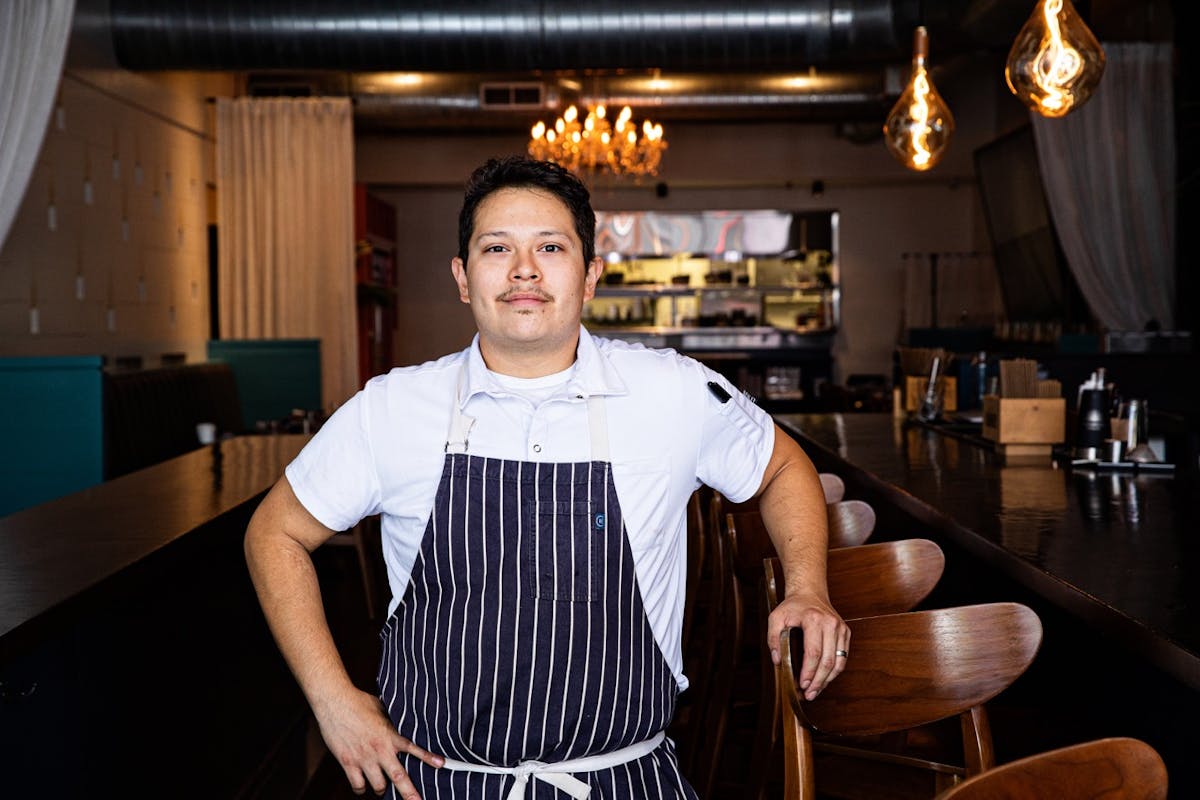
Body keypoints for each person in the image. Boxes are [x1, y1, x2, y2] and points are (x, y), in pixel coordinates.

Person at [244, 156, 849, 799]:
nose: (523, 269)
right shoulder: (390, 408)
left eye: (551, 247)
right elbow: (274, 534)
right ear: (461, 276)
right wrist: (332, 698)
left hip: (624, 781)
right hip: (439, 785)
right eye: (497, 247)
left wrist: (808, 587)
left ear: (590, 277)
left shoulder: (672, 391)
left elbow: (784, 466)